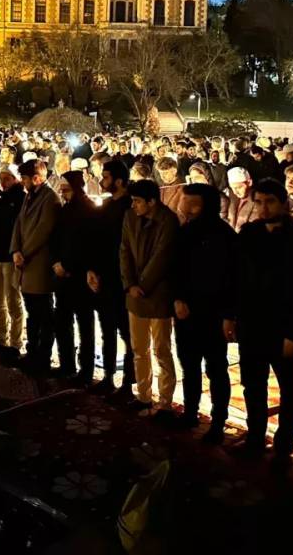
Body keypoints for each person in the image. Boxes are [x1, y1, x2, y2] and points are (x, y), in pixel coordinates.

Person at [235, 178, 293, 457]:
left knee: (289, 390)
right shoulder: (248, 234)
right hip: (252, 324)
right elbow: (238, 279)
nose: (263, 208)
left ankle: (283, 445)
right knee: (253, 385)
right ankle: (255, 437)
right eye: (258, 202)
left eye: (269, 202)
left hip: (283, 325)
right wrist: (233, 316)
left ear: (283, 203)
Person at [173, 183, 236, 441]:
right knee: (189, 366)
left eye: (192, 205)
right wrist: (177, 299)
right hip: (186, 312)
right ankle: (190, 413)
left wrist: (229, 316)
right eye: (184, 204)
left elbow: (233, 280)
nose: (185, 210)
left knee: (216, 369)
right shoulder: (184, 231)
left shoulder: (225, 236)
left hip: (213, 314)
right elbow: (175, 269)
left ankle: (218, 422)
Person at [120, 178, 179, 416]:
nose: (134, 205)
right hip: (135, 294)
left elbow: (162, 257)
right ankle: (143, 395)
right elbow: (124, 251)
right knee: (139, 349)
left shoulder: (168, 221)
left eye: (137, 201)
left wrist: (141, 285)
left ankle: (165, 401)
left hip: (158, 295)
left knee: (162, 350)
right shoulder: (130, 217)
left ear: (151, 202)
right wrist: (130, 284)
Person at [86, 159, 136, 401]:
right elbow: (95, 241)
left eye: (105, 177)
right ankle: (108, 376)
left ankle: (128, 383)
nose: (101, 181)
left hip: (123, 281)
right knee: (107, 330)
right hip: (104, 279)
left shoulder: (131, 209)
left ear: (118, 181)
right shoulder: (106, 208)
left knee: (128, 334)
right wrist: (92, 270)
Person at [11, 159, 61, 375]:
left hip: (38, 264)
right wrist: (15, 250)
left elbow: (43, 230)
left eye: (24, 178)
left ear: (37, 178)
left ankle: (42, 357)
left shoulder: (50, 199)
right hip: (25, 263)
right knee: (33, 314)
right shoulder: (29, 196)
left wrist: (25, 253)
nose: (22, 182)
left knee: (43, 315)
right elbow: (19, 224)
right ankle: (32, 353)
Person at [51, 171, 96, 381]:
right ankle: (66, 363)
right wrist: (57, 263)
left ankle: (85, 370)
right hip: (62, 275)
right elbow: (57, 239)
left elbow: (86, 245)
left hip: (79, 276)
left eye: (66, 187)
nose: (62, 191)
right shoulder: (66, 209)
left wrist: (67, 265)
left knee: (84, 324)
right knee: (62, 321)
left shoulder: (87, 210)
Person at [0, 165, 26, 357]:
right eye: (1, 178)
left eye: (7, 178)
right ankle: (1, 337)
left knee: (13, 301)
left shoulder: (21, 201)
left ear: (15, 179)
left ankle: (15, 341)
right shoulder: (0, 201)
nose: (3, 182)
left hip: (9, 259)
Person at [224, 166, 259, 232]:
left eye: (239, 187)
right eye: (232, 188)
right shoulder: (230, 199)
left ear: (249, 183)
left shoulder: (257, 201)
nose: (235, 192)